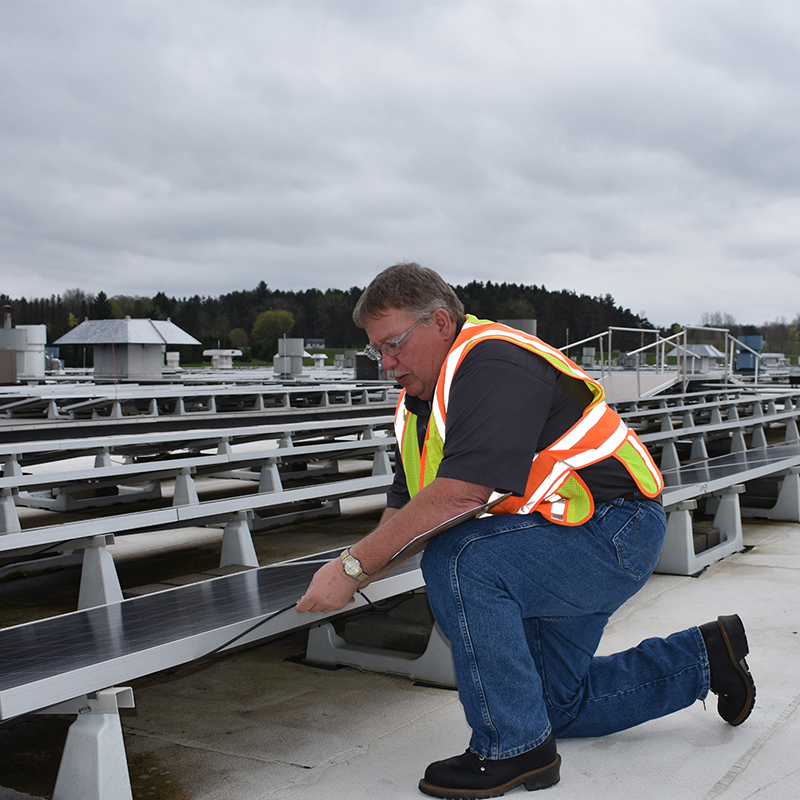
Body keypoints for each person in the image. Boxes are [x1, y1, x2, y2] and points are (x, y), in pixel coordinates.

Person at [297, 262, 756, 799]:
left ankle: (510, 750)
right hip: (551, 542)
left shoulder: (492, 362)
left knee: (459, 557)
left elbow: (460, 496)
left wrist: (352, 566)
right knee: (555, 706)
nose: (386, 362)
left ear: (440, 322)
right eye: (377, 350)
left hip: (614, 532)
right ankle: (706, 656)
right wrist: (358, 570)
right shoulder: (418, 405)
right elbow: (403, 516)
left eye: (394, 344)